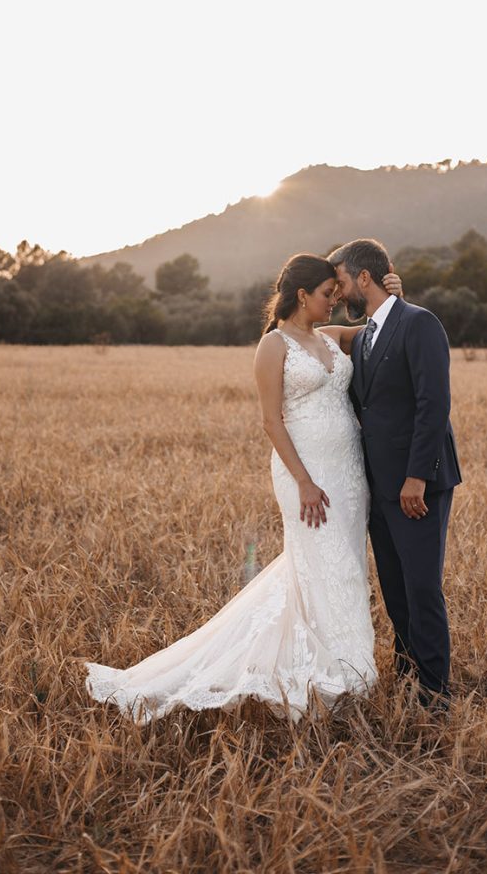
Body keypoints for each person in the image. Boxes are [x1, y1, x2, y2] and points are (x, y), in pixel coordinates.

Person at [84, 253, 402, 724]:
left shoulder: (331, 339)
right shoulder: (273, 346)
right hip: (306, 476)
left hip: (349, 476)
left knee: (346, 568)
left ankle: (346, 666)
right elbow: (271, 422)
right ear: (301, 295)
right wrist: (305, 482)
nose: (335, 302)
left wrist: (393, 297)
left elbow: (381, 328)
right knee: (323, 564)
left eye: (336, 295)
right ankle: (330, 674)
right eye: (326, 295)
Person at [328, 239, 462, 711]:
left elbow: (433, 405)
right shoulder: (364, 336)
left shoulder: (419, 322)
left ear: (364, 278)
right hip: (378, 487)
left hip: (416, 484)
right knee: (395, 589)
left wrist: (416, 477)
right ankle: (407, 677)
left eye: (340, 281)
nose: (338, 292)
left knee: (422, 587)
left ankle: (435, 694)